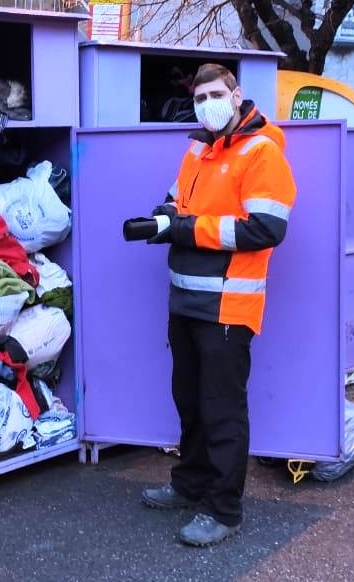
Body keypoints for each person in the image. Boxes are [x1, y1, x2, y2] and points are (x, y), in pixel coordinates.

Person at [141, 63, 297, 547]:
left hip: (228, 308)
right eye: (199, 96)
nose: (206, 103)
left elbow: (265, 229)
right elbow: (174, 200)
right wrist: (158, 221)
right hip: (186, 302)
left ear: (236, 95)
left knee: (222, 410)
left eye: (215, 93)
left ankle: (224, 510)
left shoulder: (262, 152)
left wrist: (185, 229)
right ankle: (190, 485)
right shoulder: (198, 148)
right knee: (189, 401)